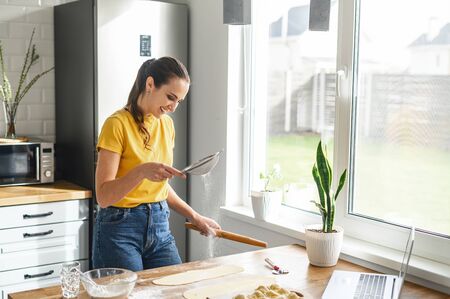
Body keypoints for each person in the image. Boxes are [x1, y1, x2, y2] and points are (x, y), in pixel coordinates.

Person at [92, 57, 220, 271]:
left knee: (176, 291)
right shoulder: (116, 125)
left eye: (179, 101)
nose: (173, 107)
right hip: (119, 230)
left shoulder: (167, 126)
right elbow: (104, 196)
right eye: (171, 97)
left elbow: (158, 187)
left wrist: (195, 217)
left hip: (160, 226)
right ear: (150, 84)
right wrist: (142, 171)